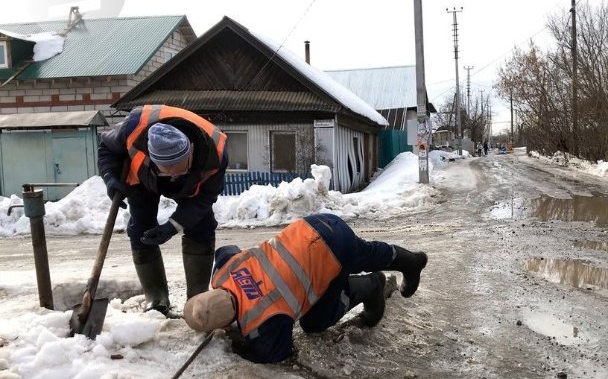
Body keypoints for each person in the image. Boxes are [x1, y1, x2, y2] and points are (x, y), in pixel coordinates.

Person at [183, 213, 428, 363]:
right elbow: (226, 250)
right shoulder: (224, 271)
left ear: (225, 324)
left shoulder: (261, 321)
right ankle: (410, 261)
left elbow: (276, 354)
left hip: (330, 249)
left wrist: (237, 343)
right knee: (366, 254)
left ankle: (373, 285)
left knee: (314, 323)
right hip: (311, 226)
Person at [98, 104, 228, 316]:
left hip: (193, 183)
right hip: (143, 179)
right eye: (166, 171)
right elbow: (106, 149)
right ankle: (156, 300)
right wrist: (110, 179)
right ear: (151, 156)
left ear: (191, 150)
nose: (173, 176)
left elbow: (205, 198)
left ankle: (195, 300)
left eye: (179, 169)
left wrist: (173, 225)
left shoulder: (216, 151)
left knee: (202, 225)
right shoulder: (132, 129)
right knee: (140, 228)